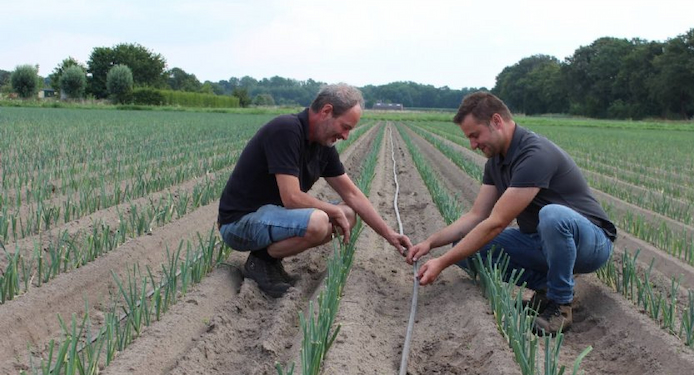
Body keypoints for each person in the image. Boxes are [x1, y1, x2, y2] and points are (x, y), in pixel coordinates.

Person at [405, 92, 616, 335]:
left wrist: (442, 263)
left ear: (497, 121)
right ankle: (546, 289)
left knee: (552, 215)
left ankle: (561, 305)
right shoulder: (495, 163)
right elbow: (476, 216)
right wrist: (430, 243)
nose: (473, 145)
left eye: (475, 135)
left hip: (590, 243)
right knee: (462, 247)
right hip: (541, 242)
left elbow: (496, 223)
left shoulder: (534, 154)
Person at [218, 83, 411, 297]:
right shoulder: (286, 129)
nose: (346, 136)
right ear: (326, 111)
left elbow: (352, 194)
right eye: (345, 126)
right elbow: (291, 197)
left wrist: (389, 234)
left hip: (270, 219)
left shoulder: (323, 146)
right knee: (319, 221)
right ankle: (261, 262)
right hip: (239, 223)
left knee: (348, 214)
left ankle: (268, 261)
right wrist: (331, 210)